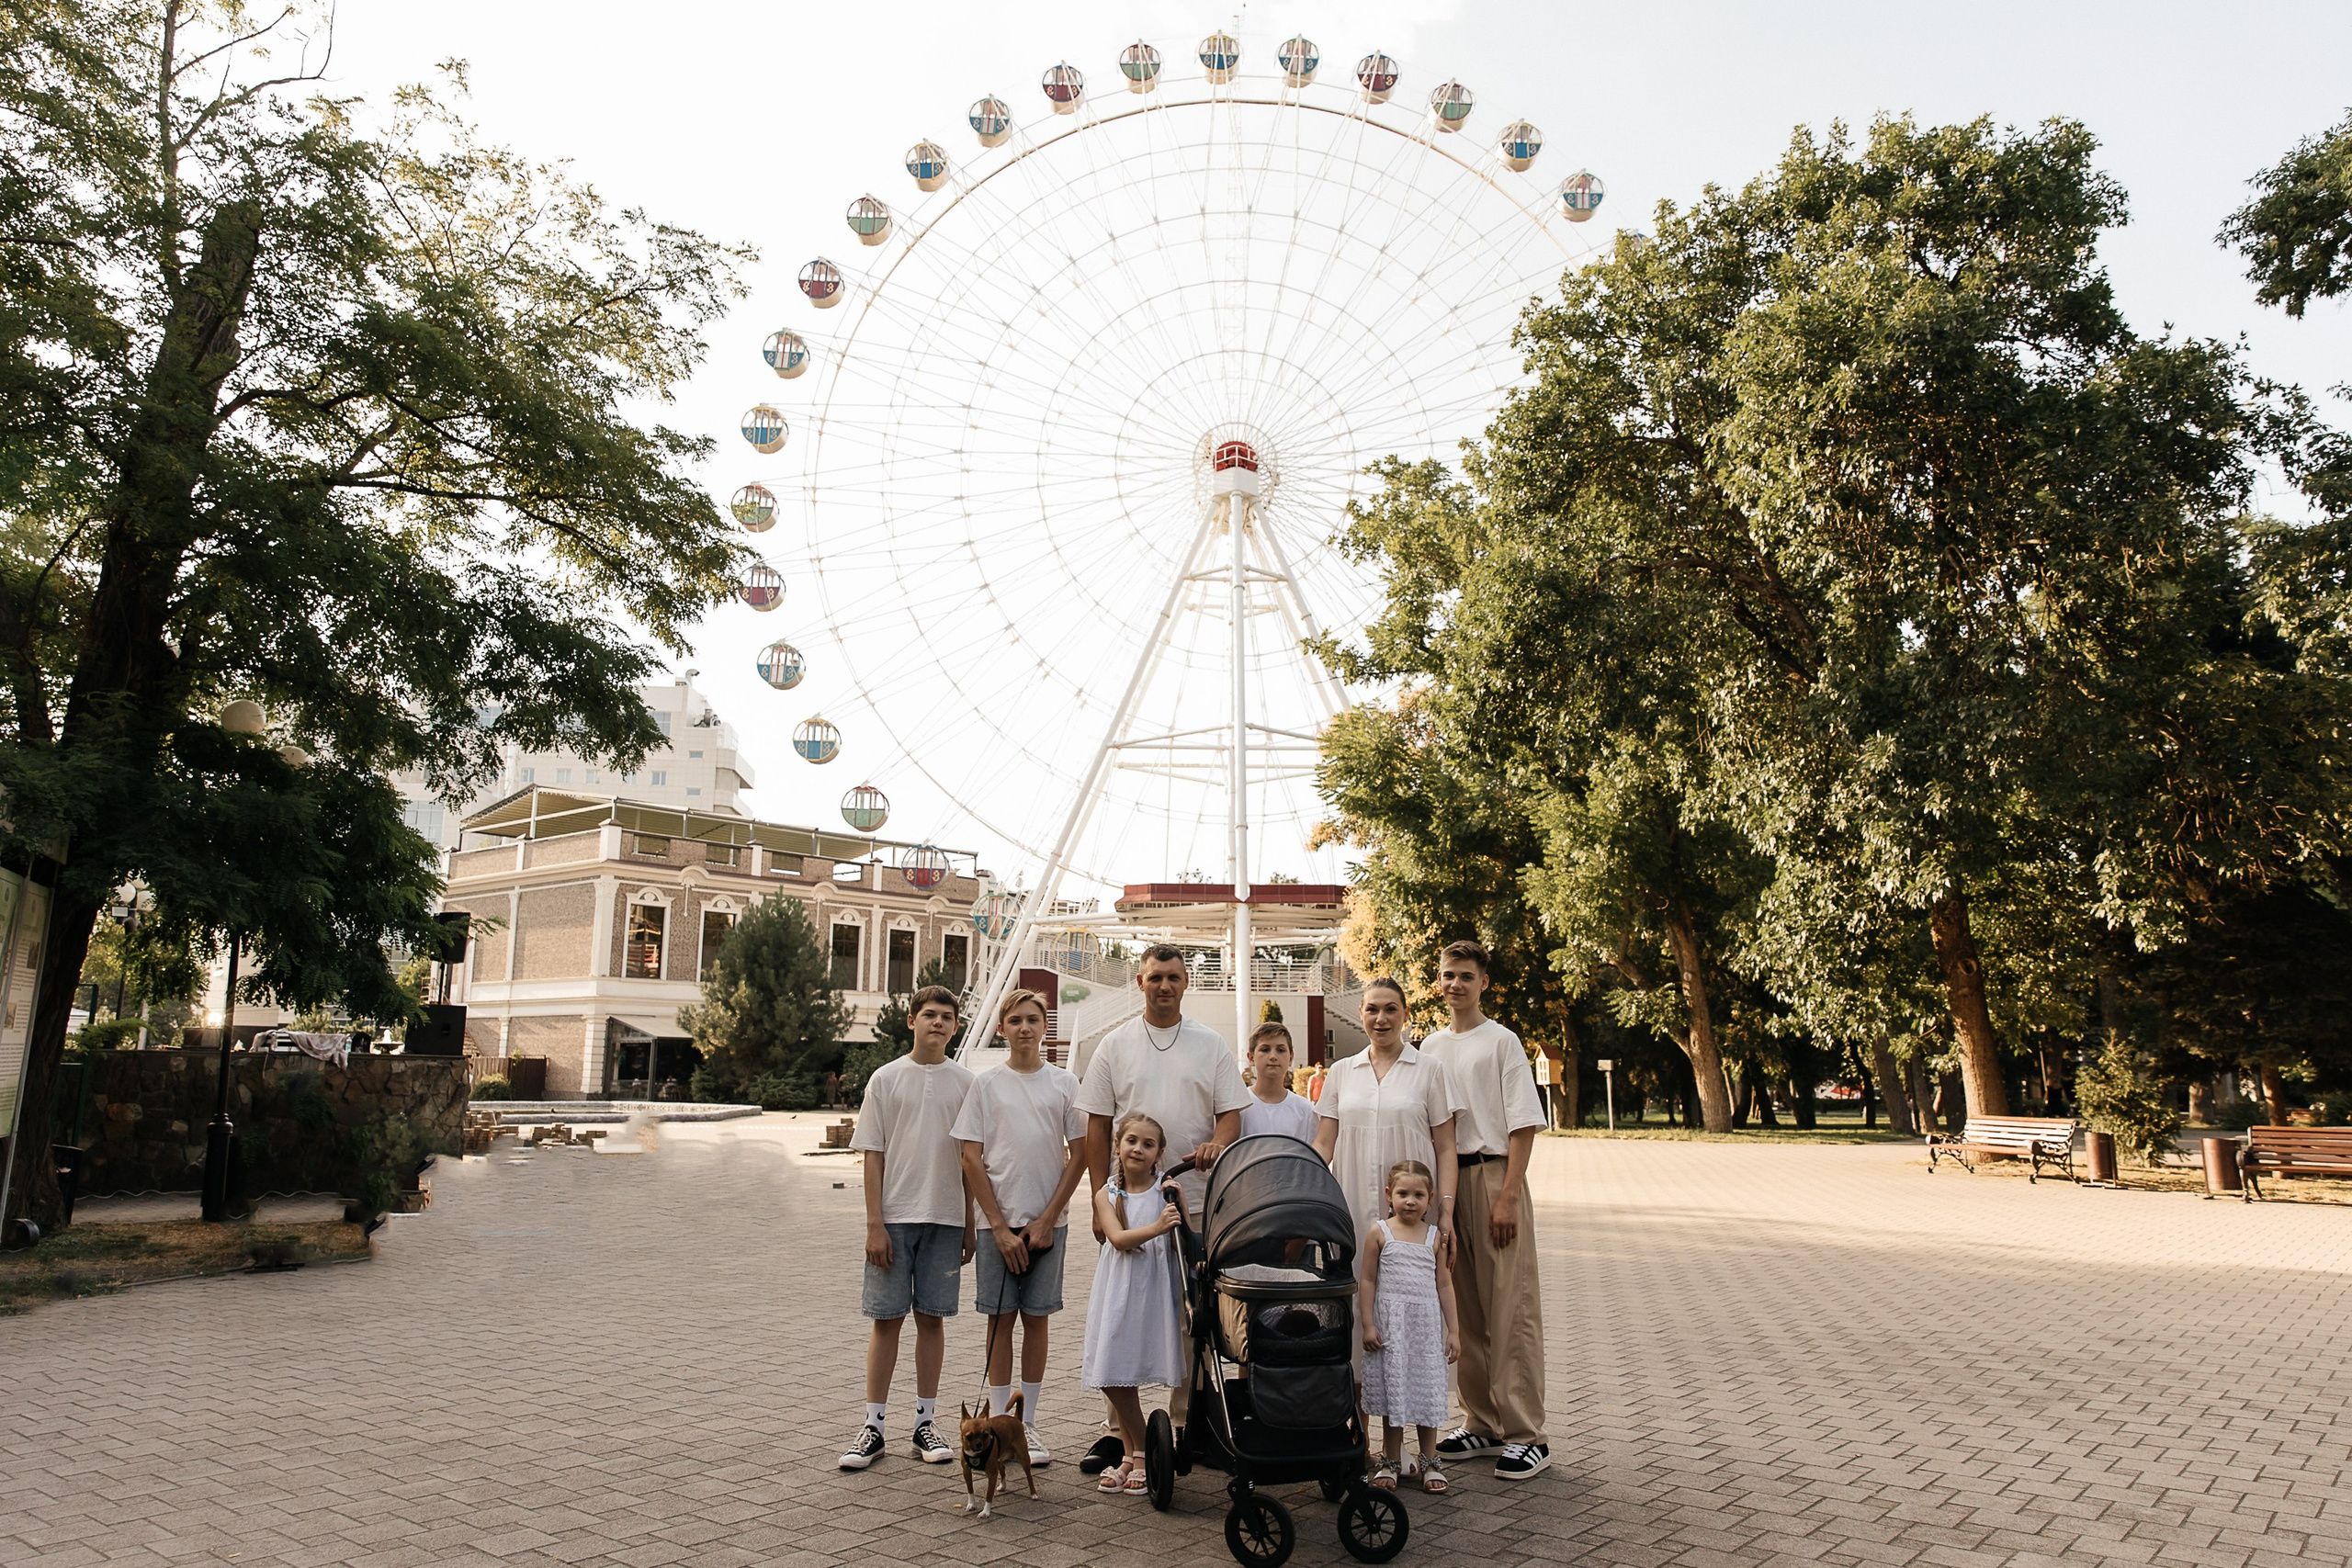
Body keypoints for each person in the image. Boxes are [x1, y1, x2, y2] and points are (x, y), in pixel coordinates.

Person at [1073, 943, 1249, 1472]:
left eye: (1173, 977)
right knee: (1123, 1311)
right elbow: (1097, 1127)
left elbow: (1230, 1115)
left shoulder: (1209, 1043)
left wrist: (1216, 1143)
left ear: (1186, 981)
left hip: (1192, 1204)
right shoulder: (1115, 1044)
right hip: (1131, 1202)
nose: (1164, 986)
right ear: (1139, 981)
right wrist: (1101, 1198)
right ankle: (1119, 1432)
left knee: (1188, 1317)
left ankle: (1184, 1423)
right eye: (1155, 978)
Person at [1422, 941, 1553, 1480]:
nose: (1456, 984)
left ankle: (1526, 1433)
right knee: (1465, 1307)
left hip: (1495, 1174)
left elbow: (1522, 1124)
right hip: (1449, 1183)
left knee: (1510, 1309)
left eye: (1466, 976)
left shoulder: (1502, 1041)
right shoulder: (1429, 1046)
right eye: (1448, 975)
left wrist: (1507, 1196)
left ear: (1483, 983)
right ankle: (1481, 1422)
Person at [840, 986, 975, 1471]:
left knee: (932, 1319)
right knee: (886, 1320)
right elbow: (872, 1156)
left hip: (946, 1218)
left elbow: (969, 1160)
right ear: (911, 1021)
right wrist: (874, 1223)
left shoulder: (966, 1083)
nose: (937, 1023)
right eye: (929, 1015)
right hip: (894, 1219)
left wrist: (970, 1224)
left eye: (946, 1017)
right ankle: (873, 1427)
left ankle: (925, 1421)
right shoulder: (886, 1078)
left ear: (955, 1027)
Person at [953, 988, 1086, 1469]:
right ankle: (997, 1425)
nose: (1025, 1028)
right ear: (1002, 1028)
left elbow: (1081, 1155)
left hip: (1049, 1225)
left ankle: (1027, 1423)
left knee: (1037, 1320)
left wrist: (1048, 1218)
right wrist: (997, 1226)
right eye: (1016, 1020)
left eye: (1034, 1019)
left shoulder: (1065, 1084)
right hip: (998, 1228)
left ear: (1044, 1026)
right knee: (999, 1321)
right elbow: (970, 1156)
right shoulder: (985, 1086)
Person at [1313, 978, 1461, 1275]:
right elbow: (1324, 1144)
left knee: (1410, 1292)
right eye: (1372, 1009)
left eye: (1390, 1009)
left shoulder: (1430, 1070)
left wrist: (1446, 1209)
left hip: (1413, 1210)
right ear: (1361, 1013)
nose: (1381, 1019)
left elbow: (1446, 1149)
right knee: (1357, 1292)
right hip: (1352, 1205)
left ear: (1405, 1014)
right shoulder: (1342, 1072)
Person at [1080, 1113, 1188, 1496]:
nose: (1138, 1149)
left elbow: (1184, 1235)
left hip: (1154, 1289)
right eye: (1131, 1141)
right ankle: (1141, 1450)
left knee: (1129, 1368)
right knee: (1111, 1370)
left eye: (1147, 1144)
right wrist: (1157, 1226)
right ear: (1117, 1145)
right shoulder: (1105, 1194)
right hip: (1117, 1287)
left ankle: (1132, 1457)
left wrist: (1174, 1207)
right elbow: (1117, 1238)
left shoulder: (1166, 1191)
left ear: (1159, 1153)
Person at [1360, 1160, 1460, 1495]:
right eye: (1403, 1194)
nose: (1410, 1201)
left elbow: (1444, 1285)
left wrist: (1454, 1331)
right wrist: (1369, 1325)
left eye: (1419, 1195)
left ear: (1431, 1199)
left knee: (1426, 1391)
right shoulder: (1379, 1232)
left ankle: (1430, 1459)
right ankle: (1390, 1458)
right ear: (1389, 1195)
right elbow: (1368, 1280)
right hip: (1391, 1330)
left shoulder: (1434, 1237)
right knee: (1395, 1392)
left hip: (1424, 1330)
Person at [1238, 1022, 1319, 1143]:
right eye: (1265, 1049)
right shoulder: (1239, 1106)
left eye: (1280, 1050)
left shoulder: (1305, 1110)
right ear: (1251, 1058)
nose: (1273, 1056)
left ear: (1291, 1058)